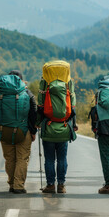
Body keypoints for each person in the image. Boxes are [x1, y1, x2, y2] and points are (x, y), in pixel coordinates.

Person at [0, 70, 37, 194]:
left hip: (3, 130)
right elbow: (33, 112)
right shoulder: (27, 92)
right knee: (22, 158)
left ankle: (11, 184)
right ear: (21, 80)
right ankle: (19, 186)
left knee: (10, 158)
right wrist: (33, 131)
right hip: (23, 130)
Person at [37, 61, 78, 194]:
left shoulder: (44, 82)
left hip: (48, 126)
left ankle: (50, 185)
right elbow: (72, 106)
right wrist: (74, 124)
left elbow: (40, 105)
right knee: (62, 158)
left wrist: (38, 123)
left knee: (49, 159)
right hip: (64, 126)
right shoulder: (68, 83)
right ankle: (61, 185)